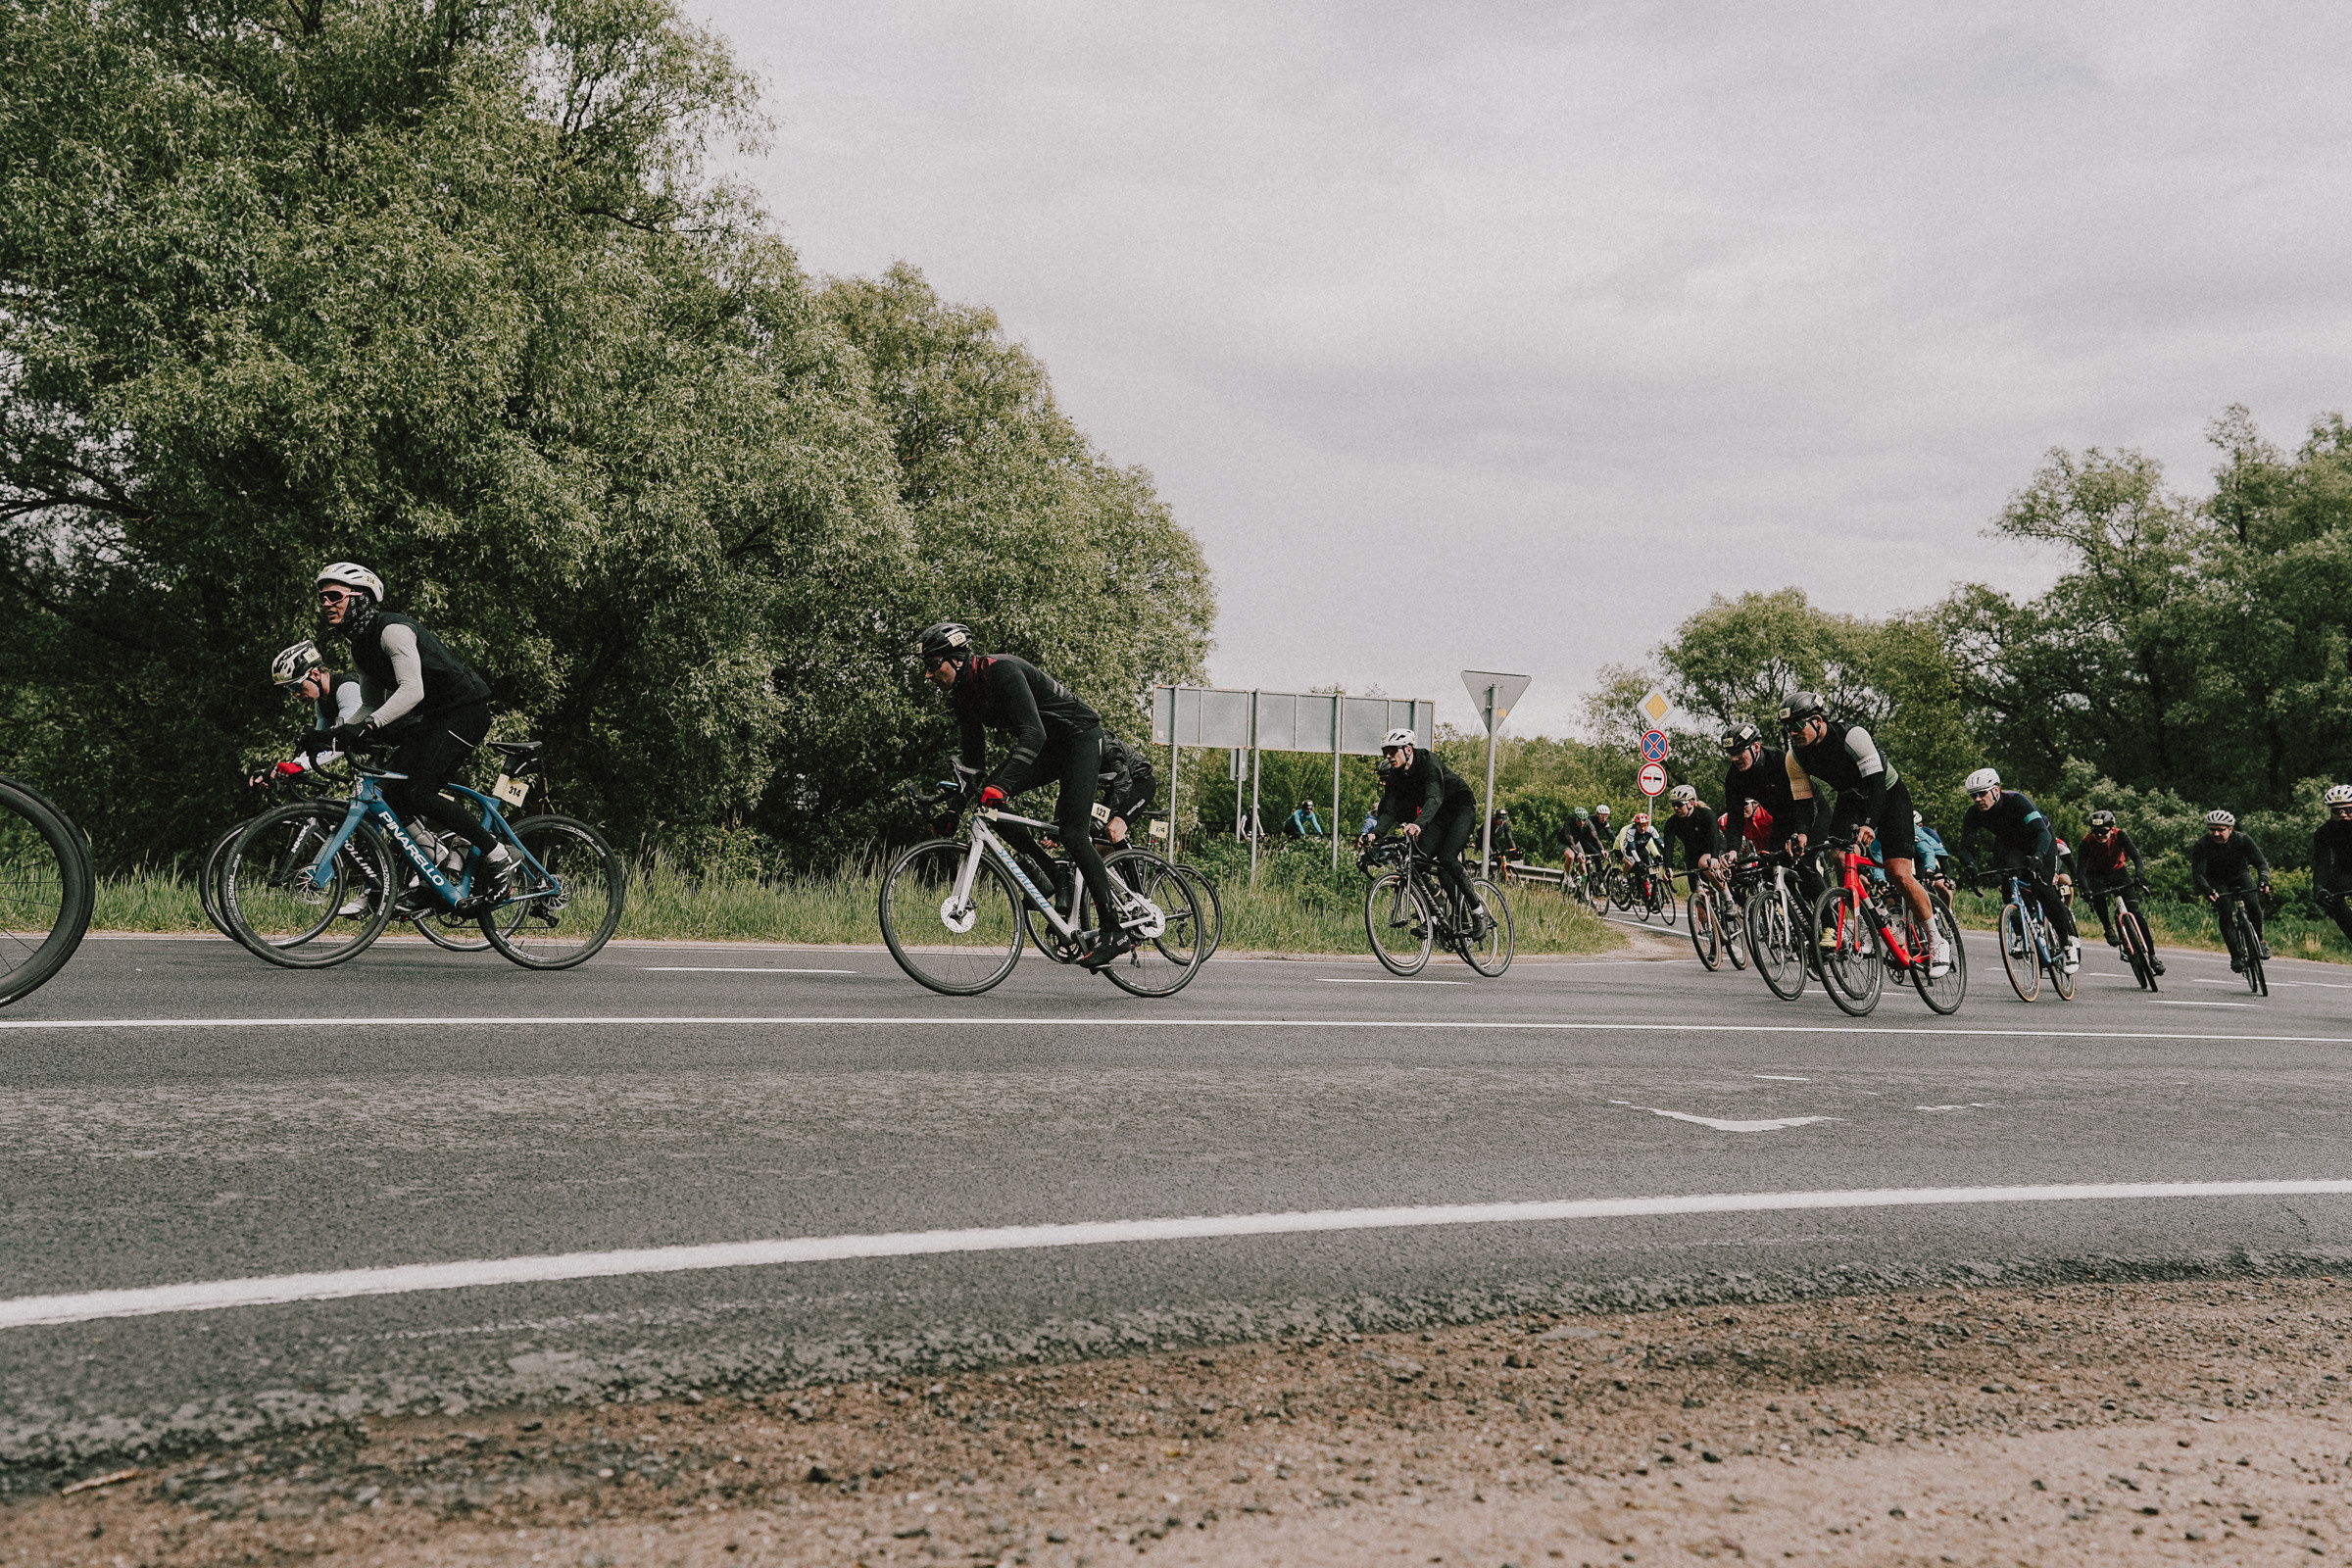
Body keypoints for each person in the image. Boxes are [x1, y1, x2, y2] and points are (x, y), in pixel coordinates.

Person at [920, 621, 1135, 971]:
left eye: (932, 665)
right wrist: (956, 810)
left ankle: (1114, 930)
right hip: (1051, 749)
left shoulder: (1001, 671)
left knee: (1073, 834)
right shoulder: (964, 695)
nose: (928, 675)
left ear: (956, 659)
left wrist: (1001, 784)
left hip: (1080, 738)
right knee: (988, 804)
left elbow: (1032, 732)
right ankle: (1051, 873)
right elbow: (975, 764)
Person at [315, 563, 514, 899]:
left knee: (421, 791)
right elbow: (368, 705)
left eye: (334, 596)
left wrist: (370, 726)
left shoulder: (392, 630)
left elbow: (411, 690)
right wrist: (328, 736)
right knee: (392, 792)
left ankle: (498, 855)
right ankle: (436, 861)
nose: (326, 604)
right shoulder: (360, 647)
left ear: (361, 598)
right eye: (321, 598)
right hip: (435, 717)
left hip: (465, 711)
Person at [1779, 691, 1952, 975]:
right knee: (1839, 855)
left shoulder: (1852, 736)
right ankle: (1876, 916)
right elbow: (1802, 802)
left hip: (1887, 793)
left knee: (1898, 872)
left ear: (1818, 721)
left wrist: (1870, 824)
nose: (1792, 734)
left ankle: (1936, 939)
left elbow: (1877, 785)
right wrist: (1801, 833)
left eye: (1797, 726)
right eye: (1787, 729)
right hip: (1852, 799)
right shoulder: (1794, 757)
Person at [1359, 729, 1487, 934]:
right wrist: (1375, 834)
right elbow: (1390, 810)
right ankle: (1438, 912)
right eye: (1385, 752)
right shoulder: (1395, 776)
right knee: (1417, 864)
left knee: (1447, 857)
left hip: (1460, 809)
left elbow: (1434, 798)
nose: (1388, 757)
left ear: (1408, 749)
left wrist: (1418, 824)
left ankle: (1478, 911)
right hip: (1436, 817)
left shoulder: (1428, 762)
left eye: (1392, 751)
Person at [1955, 766, 2080, 974]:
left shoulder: (2017, 801)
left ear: (1996, 790)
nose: (1977, 799)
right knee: (2007, 881)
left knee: (2041, 887)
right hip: (2012, 845)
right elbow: (1965, 848)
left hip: (2040, 841)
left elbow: (2042, 833)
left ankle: (2068, 943)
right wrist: (1970, 865)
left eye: (1981, 793)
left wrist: (2039, 856)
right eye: (1973, 796)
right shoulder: (1974, 814)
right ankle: (2022, 931)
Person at [250, 638, 369, 788]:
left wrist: (300, 765)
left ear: (315, 675)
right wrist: (278, 770)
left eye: (295, 687)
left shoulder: (348, 688)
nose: (295, 695)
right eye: (289, 690)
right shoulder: (321, 703)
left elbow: (343, 737)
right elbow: (319, 746)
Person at [2077, 808, 2164, 975]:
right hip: (2096, 875)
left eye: (2103, 832)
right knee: (2098, 895)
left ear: (2111, 829)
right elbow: (2080, 871)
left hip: (2118, 872)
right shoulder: (2086, 843)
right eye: (2096, 832)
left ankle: (2152, 956)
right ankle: (2108, 928)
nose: (2100, 836)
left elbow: (2136, 857)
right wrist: (2085, 889)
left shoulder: (2120, 835)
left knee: (2136, 913)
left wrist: (2140, 875)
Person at [2189, 808, 2272, 972]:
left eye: (2221, 830)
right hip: (2217, 880)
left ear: (2230, 829)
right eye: (2212, 829)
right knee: (2225, 911)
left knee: (2253, 905)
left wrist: (2264, 880)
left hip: (2240, 875)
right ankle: (2235, 956)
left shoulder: (2242, 840)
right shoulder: (2202, 845)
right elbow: (2198, 874)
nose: (2216, 833)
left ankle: (2260, 942)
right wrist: (2208, 890)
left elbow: (2261, 863)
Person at [1661, 783, 1726, 896]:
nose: (1676, 808)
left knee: (1704, 863)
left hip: (1713, 847)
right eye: (1673, 805)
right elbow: (1668, 846)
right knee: (1699, 893)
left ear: (1691, 803)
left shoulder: (1706, 814)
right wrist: (1668, 867)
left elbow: (1714, 837)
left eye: (1679, 804)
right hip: (1692, 854)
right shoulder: (1672, 822)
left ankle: (1727, 898)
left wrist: (1715, 857)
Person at [1097, 733, 1158, 847]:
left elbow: (1123, 784)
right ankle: (1110, 864)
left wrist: (1106, 818)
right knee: (1101, 844)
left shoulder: (1108, 746)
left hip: (1141, 782)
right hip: (1116, 789)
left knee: (1114, 829)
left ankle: (1130, 863)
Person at [2313, 785, 2352, 949]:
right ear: (2331, 812)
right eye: (2337, 811)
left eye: (2347, 809)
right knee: (2330, 897)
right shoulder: (2323, 832)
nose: (2343, 814)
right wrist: (2319, 888)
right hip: (2344, 871)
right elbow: (2322, 864)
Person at [1613, 809, 1667, 902]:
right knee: (1637, 867)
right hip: (1628, 850)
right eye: (1640, 825)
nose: (1642, 828)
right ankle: (1632, 885)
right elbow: (1631, 849)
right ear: (1635, 824)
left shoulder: (1650, 830)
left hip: (1641, 850)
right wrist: (1638, 862)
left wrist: (1661, 855)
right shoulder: (1629, 831)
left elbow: (1656, 844)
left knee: (1651, 864)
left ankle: (1653, 891)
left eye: (1645, 825)